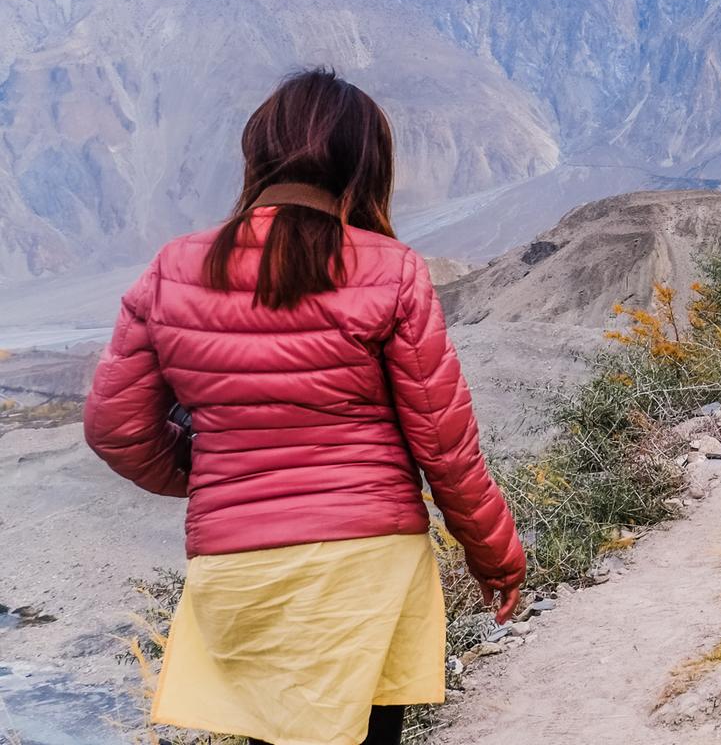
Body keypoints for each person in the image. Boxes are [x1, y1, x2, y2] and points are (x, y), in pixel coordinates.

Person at [85, 69, 524, 745]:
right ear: (366, 164)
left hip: (239, 567)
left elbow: (117, 429)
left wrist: (219, 474)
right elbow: (443, 444)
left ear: (259, 151)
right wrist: (495, 555)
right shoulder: (391, 269)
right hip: (368, 566)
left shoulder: (173, 269)